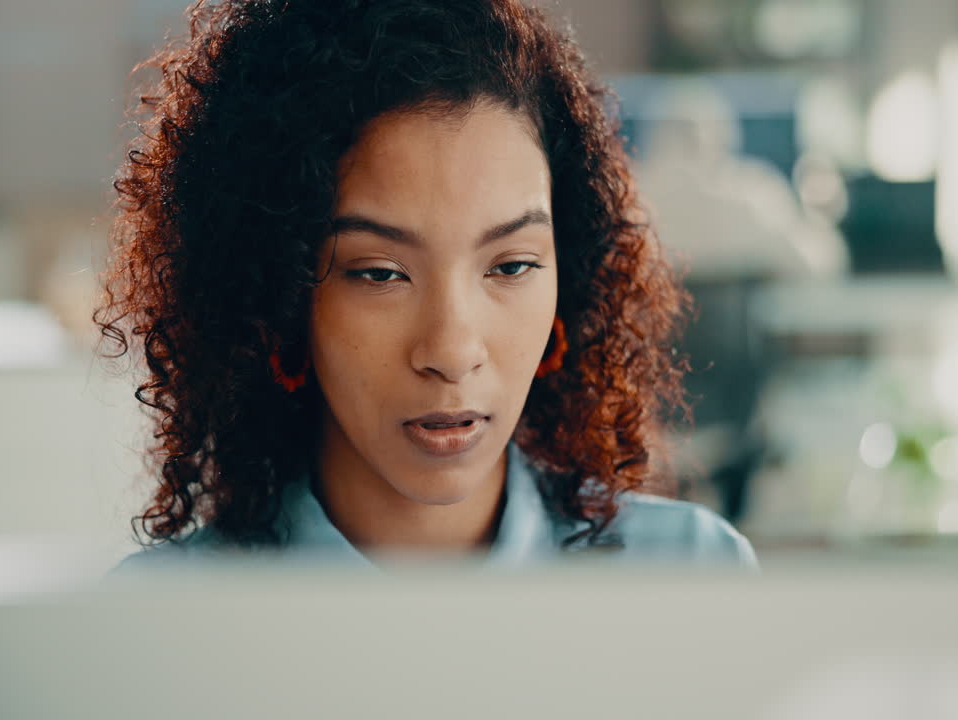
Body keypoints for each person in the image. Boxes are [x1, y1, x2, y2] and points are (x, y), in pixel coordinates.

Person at [101, 0, 757, 570]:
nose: (450, 349)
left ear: (569, 273)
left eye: (511, 265)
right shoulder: (163, 619)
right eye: (380, 273)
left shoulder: (691, 575)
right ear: (281, 295)